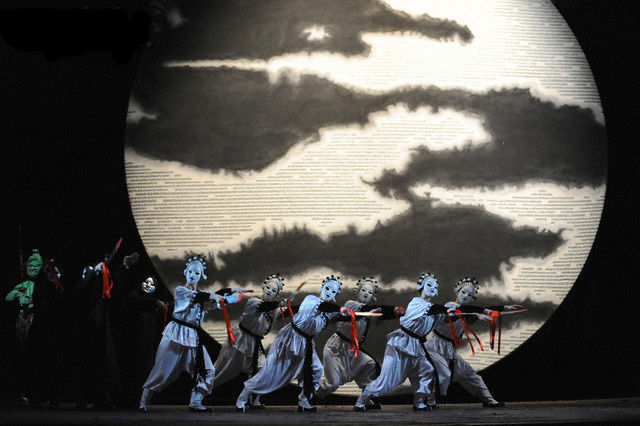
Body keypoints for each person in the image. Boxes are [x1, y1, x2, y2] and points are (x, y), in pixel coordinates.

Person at [138, 256, 245, 412]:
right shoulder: (181, 291)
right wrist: (214, 295)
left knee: (207, 370)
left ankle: (195, 402)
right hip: (176, 335)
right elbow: (201, 297)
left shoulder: (201, 294)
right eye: (190, 271)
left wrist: (232, 293)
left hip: (193, 338)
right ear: (185, 272)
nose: (193, 275)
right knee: (162, 371)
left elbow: (213, 297)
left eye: (197, 273)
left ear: (201, 276)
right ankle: (143, 402)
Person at [235, 275, 349, 412]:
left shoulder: (330, 313)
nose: (329, 292)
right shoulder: (311, 300)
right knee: (269, 373)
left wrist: (351, 314)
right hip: (289, 339)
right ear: (322, 287)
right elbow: (325, 306)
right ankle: (242, 398)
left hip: (306, 343)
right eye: (327, 288)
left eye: (333, 291)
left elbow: (339, 316)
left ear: (335, 295)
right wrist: (339, 308)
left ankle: (304, 401)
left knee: (316, 369)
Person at [353, 273, 451, 412]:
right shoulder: (416, 303)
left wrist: (456, 314)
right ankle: (361, 401)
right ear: (421, 287)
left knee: (427, 370)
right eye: (429, 285)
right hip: (401, 343)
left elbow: (443, 317)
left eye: (435, 287)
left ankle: (419, 402)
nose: (432, 288)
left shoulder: (434, 311)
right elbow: (434, 309)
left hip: (416, 345)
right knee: (387, 381)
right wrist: (448, 310)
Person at [425, 277, 524, 408]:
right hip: (434, 345)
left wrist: (504, 308)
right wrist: (480, 313)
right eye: (463, 292)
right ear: (457, 292)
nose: (465, 296)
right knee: (437, 373)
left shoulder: (468, 311)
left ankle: (489, 400)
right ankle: (430, 402)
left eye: (470, 295)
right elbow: (464, 311)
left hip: (448, 348)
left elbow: (474, 310)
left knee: (469, 374)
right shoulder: (450, 306)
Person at [314, 277, 404, 408]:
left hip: (352, 349)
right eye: (363, 290)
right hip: (336, 348)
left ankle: (365, 398)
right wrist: (393, 309)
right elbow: (365, 310)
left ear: (373, 296)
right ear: (357, 292)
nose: (366, 293)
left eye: (370, 292)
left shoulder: (371, 312)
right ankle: (310, 395)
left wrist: (397, 313)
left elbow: (379, 315)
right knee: (333, 383)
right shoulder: (351, 304)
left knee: (370, 364)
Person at [213, 274, 287, 409]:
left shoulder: (273, 309)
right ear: (263, 287)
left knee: (261, 370)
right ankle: (197, 396)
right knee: (221, 371)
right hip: (239, 340)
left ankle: (251, 399)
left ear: (276, 294)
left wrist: (305, 307)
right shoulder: (253, 302)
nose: (270, 291)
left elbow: (285, 312)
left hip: (254, 343)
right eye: (268, 287)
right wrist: (279, 303)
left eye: (274, 290)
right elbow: (262, 307)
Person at [116, 276, 168, 409]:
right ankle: (126, 402)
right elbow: (137, 301)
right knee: (131, 374)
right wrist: (156, 302)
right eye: (146, 282)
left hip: (147, 346)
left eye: (152, 284)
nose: (149, 285)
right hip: (132, 346)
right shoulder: (133, 297)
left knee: (145, 373)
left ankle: (138, 402)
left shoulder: (153, 305)